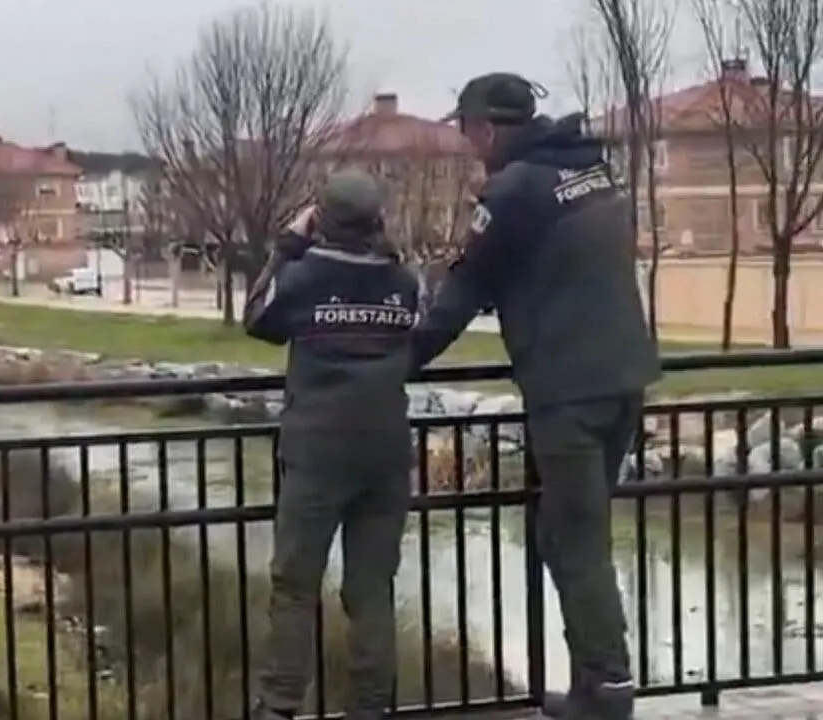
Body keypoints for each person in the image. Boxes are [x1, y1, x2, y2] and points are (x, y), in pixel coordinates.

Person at [412, 72, 661, 720]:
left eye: (468, 132)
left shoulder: (515, 190)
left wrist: (394, 363)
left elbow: (461, 294)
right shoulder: (590, 168)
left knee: (573, 540)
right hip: (623, 377)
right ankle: (595, 680)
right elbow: (556, 261)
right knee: (564, 532)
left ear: (488, 128)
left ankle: (607, 689)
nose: (468, 146)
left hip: (568, 390)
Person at [243, 170, 421, 720]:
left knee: (295, 584)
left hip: (318, 450)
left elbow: (257, 317)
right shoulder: (404, 282)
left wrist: (287, 246)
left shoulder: (305, 275)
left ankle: (279, 705)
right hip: (386, 450)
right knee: (371, 588)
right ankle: (370, 707)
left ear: (320, 218)